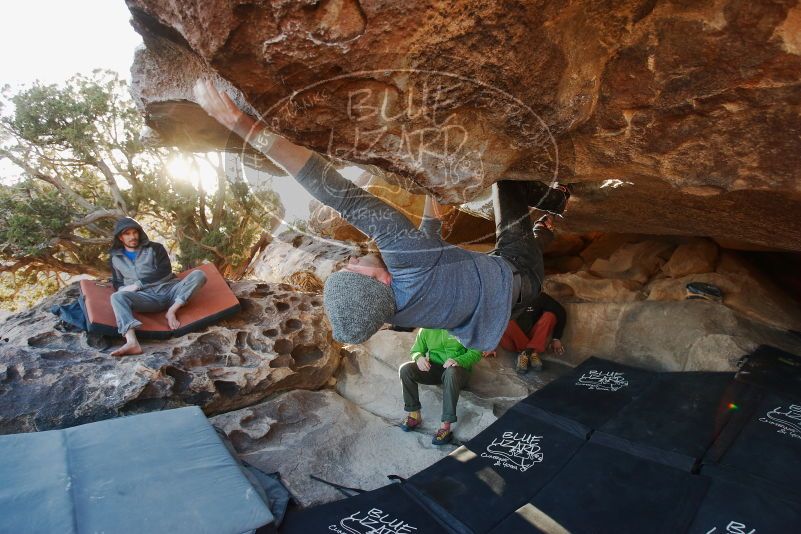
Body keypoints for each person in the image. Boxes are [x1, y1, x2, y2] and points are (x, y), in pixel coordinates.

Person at [193, 80, 569, 353]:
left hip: (506, 302)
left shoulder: (398, 308)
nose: (352, 259)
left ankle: (544, 228)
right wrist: (245, 127)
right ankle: (555, 199)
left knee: (531, 238)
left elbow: (430, 251)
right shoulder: (405, 261)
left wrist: (429, 203)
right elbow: (343, 196)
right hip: (517, 271)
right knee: (505, 183)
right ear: (383, 279)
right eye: (354, 269)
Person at [108, 218, 207, 356]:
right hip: (147, 298)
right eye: (127, 234)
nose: (132, 237)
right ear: (120, 237)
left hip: (171, 290)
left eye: (135, 232)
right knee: (116, 297)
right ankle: (132, 342)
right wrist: (122, 289)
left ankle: (171, 311)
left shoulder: (155, 248)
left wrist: (137, 285)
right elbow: (118, 282)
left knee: (199, 274)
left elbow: (165, 272)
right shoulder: (115, 258)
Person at [399, 328, 482, 445]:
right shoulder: (426, 327)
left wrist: (458, 360)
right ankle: (414, 414)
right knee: (405, 369)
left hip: (459, 371)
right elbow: (416, 350)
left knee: (451, 372)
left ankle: (445, 426)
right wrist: (419, 358)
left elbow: (476, 352)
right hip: (436, 370)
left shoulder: (464, 325)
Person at [500, 290, 567, 374]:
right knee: (505, 320)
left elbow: (560, 312)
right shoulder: (505, 297)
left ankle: (528, 353)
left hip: (531, 339)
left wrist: (556, 338)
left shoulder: (538, 296)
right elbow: (491, 318)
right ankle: (530, 352)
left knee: (550, 316)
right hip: (510, 341)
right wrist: (488, 346)